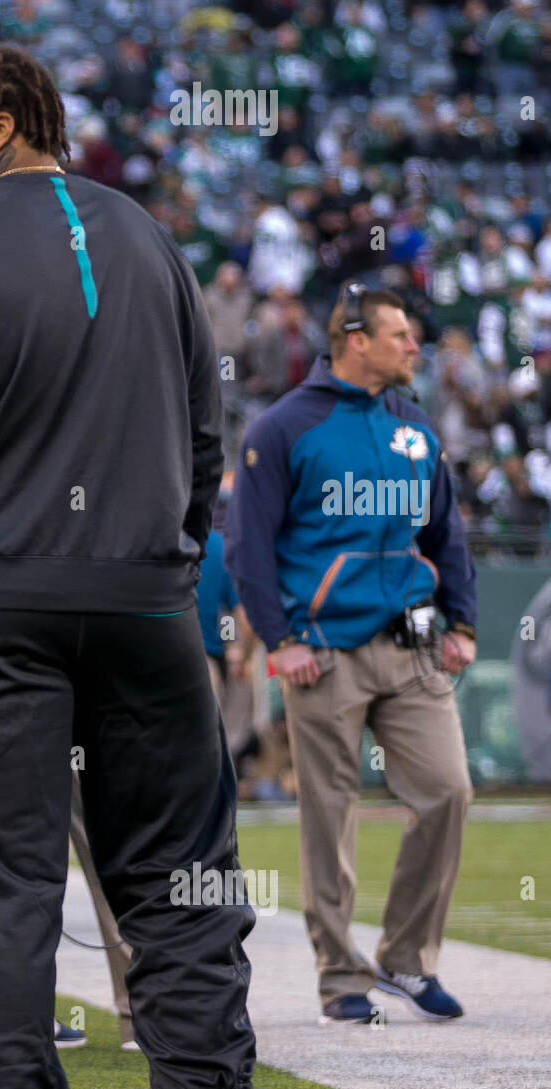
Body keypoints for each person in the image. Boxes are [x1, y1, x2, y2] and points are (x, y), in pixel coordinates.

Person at [0, 43, 343, 1089]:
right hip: (142, 606)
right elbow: (200, 435)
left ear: (9, 122)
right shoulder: (145, 234)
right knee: (180, 874)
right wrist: (166, 562)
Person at [226, 281, 477, 1025]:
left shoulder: (414, 425)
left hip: (413, 646)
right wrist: (282, 639)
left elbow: (447, 535)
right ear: (355, 339)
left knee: (449, 789)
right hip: (323, 653)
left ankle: (405, 957)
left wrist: (461, 624)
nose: (413, 347)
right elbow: (248, 547)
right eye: (400, 335)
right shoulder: (281, 428)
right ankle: (341, 977)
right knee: (329, 817)